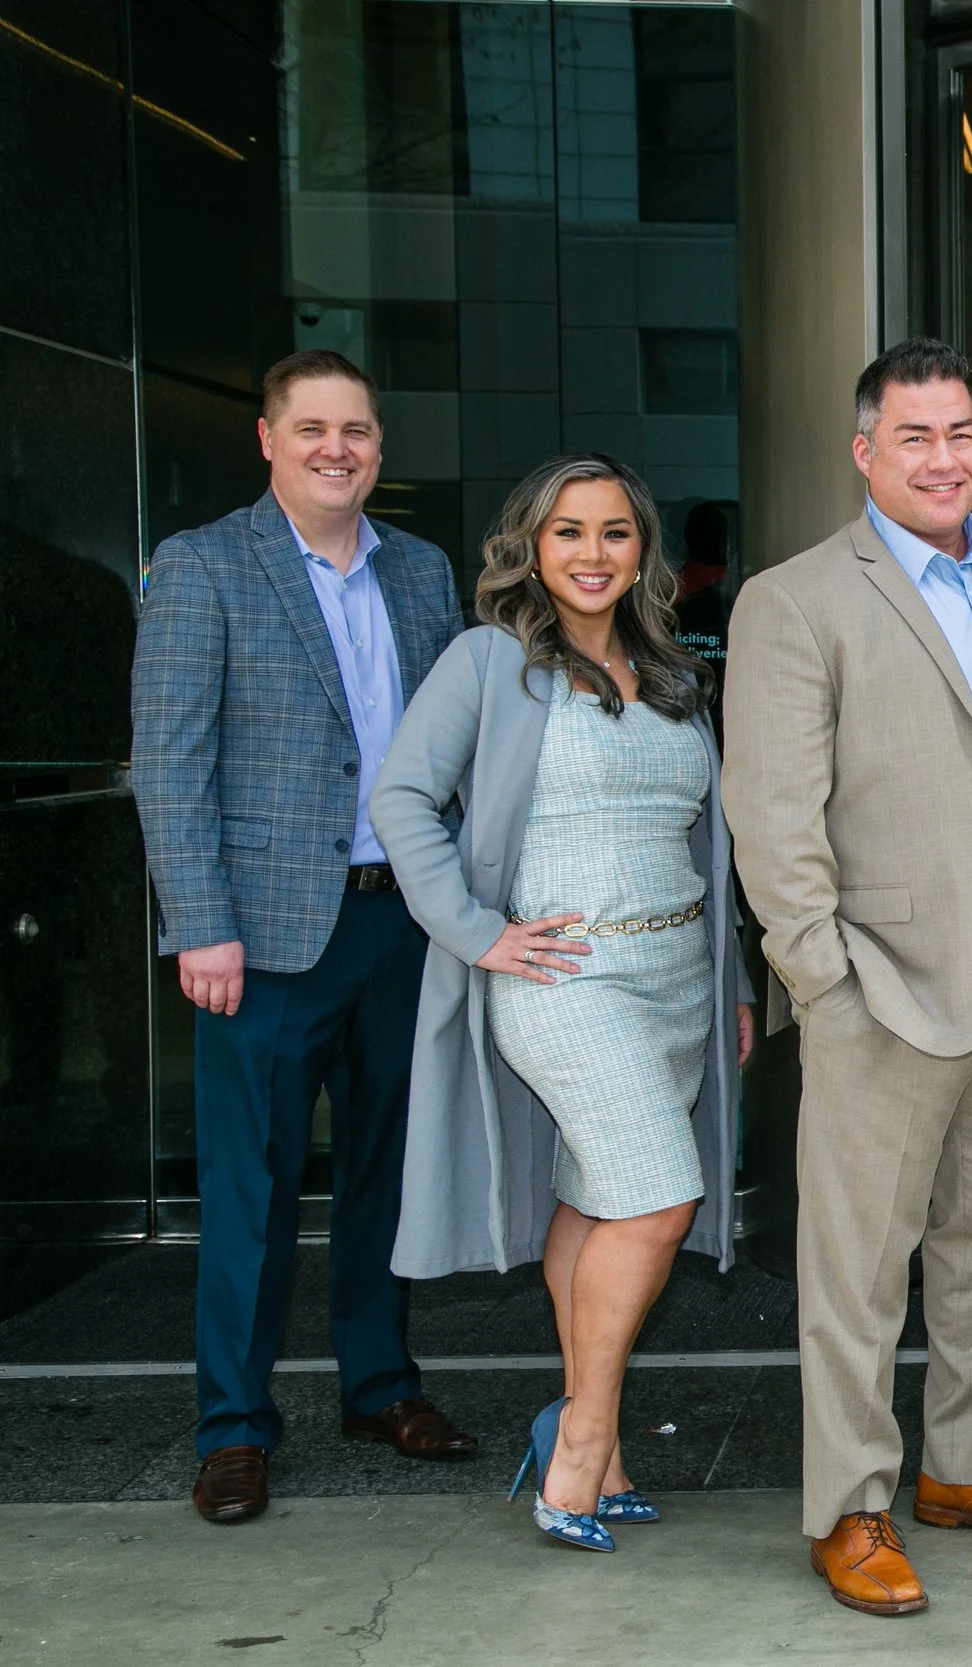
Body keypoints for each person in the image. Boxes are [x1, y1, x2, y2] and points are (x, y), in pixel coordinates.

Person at [723, 338, 972, 1616]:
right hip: (883, 986)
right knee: (858, 1265)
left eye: (960, 434)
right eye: (915, 436)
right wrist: (822, 981)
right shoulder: (795, 599)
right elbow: (772, 816)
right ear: (864, 453)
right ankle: (850, 1503)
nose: (943, 457)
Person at [371, 454, 754, 1552]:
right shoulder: (489, 660)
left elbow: (702, 844)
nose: (592, 554)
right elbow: (401, 796)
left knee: (593, 1207)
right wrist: (478, 930)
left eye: (616, 533)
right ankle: (582, 1437)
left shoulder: (673, 670)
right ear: (531, 546)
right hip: (562, 975)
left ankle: (595, 1437)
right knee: (656, 1197)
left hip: (675, 978)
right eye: (569, 532)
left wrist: (729, 981)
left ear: (645, 551)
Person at [130, 349, 477, 1526]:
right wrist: (200, 924)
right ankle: (233, 1425)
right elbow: (171, 763)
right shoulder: (202, 566)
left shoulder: (423, 571)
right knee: (252, 1190)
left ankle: (380, 1384)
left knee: (387, 1174)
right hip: (265, 941)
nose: (341, 447)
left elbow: (455, 754)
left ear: (380, 446)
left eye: (360, 430)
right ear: (269, 438)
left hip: (401, 925)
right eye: (315, 427)